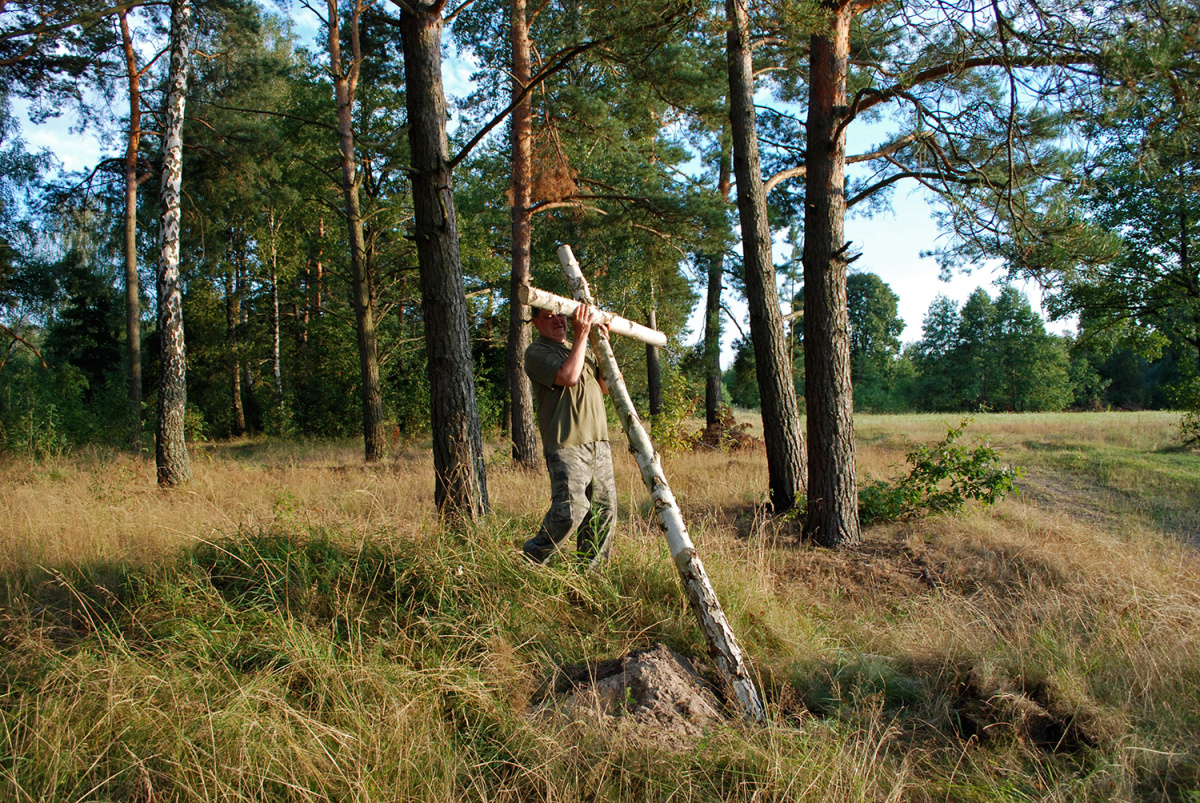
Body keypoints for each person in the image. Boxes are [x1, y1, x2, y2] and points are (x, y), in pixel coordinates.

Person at [522, 303, 616, 569]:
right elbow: (569, 376)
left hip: (599, 443)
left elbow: (607, 387)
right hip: (567, 446)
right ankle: (532, 560)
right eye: (549, 317)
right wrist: (583, 334)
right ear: (537, 323)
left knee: (603, 513)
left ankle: (590, 576)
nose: (559, 321)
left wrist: (602, 348)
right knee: (570, 513)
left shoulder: (580, 351)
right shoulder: (537, 352)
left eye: (562, 315)